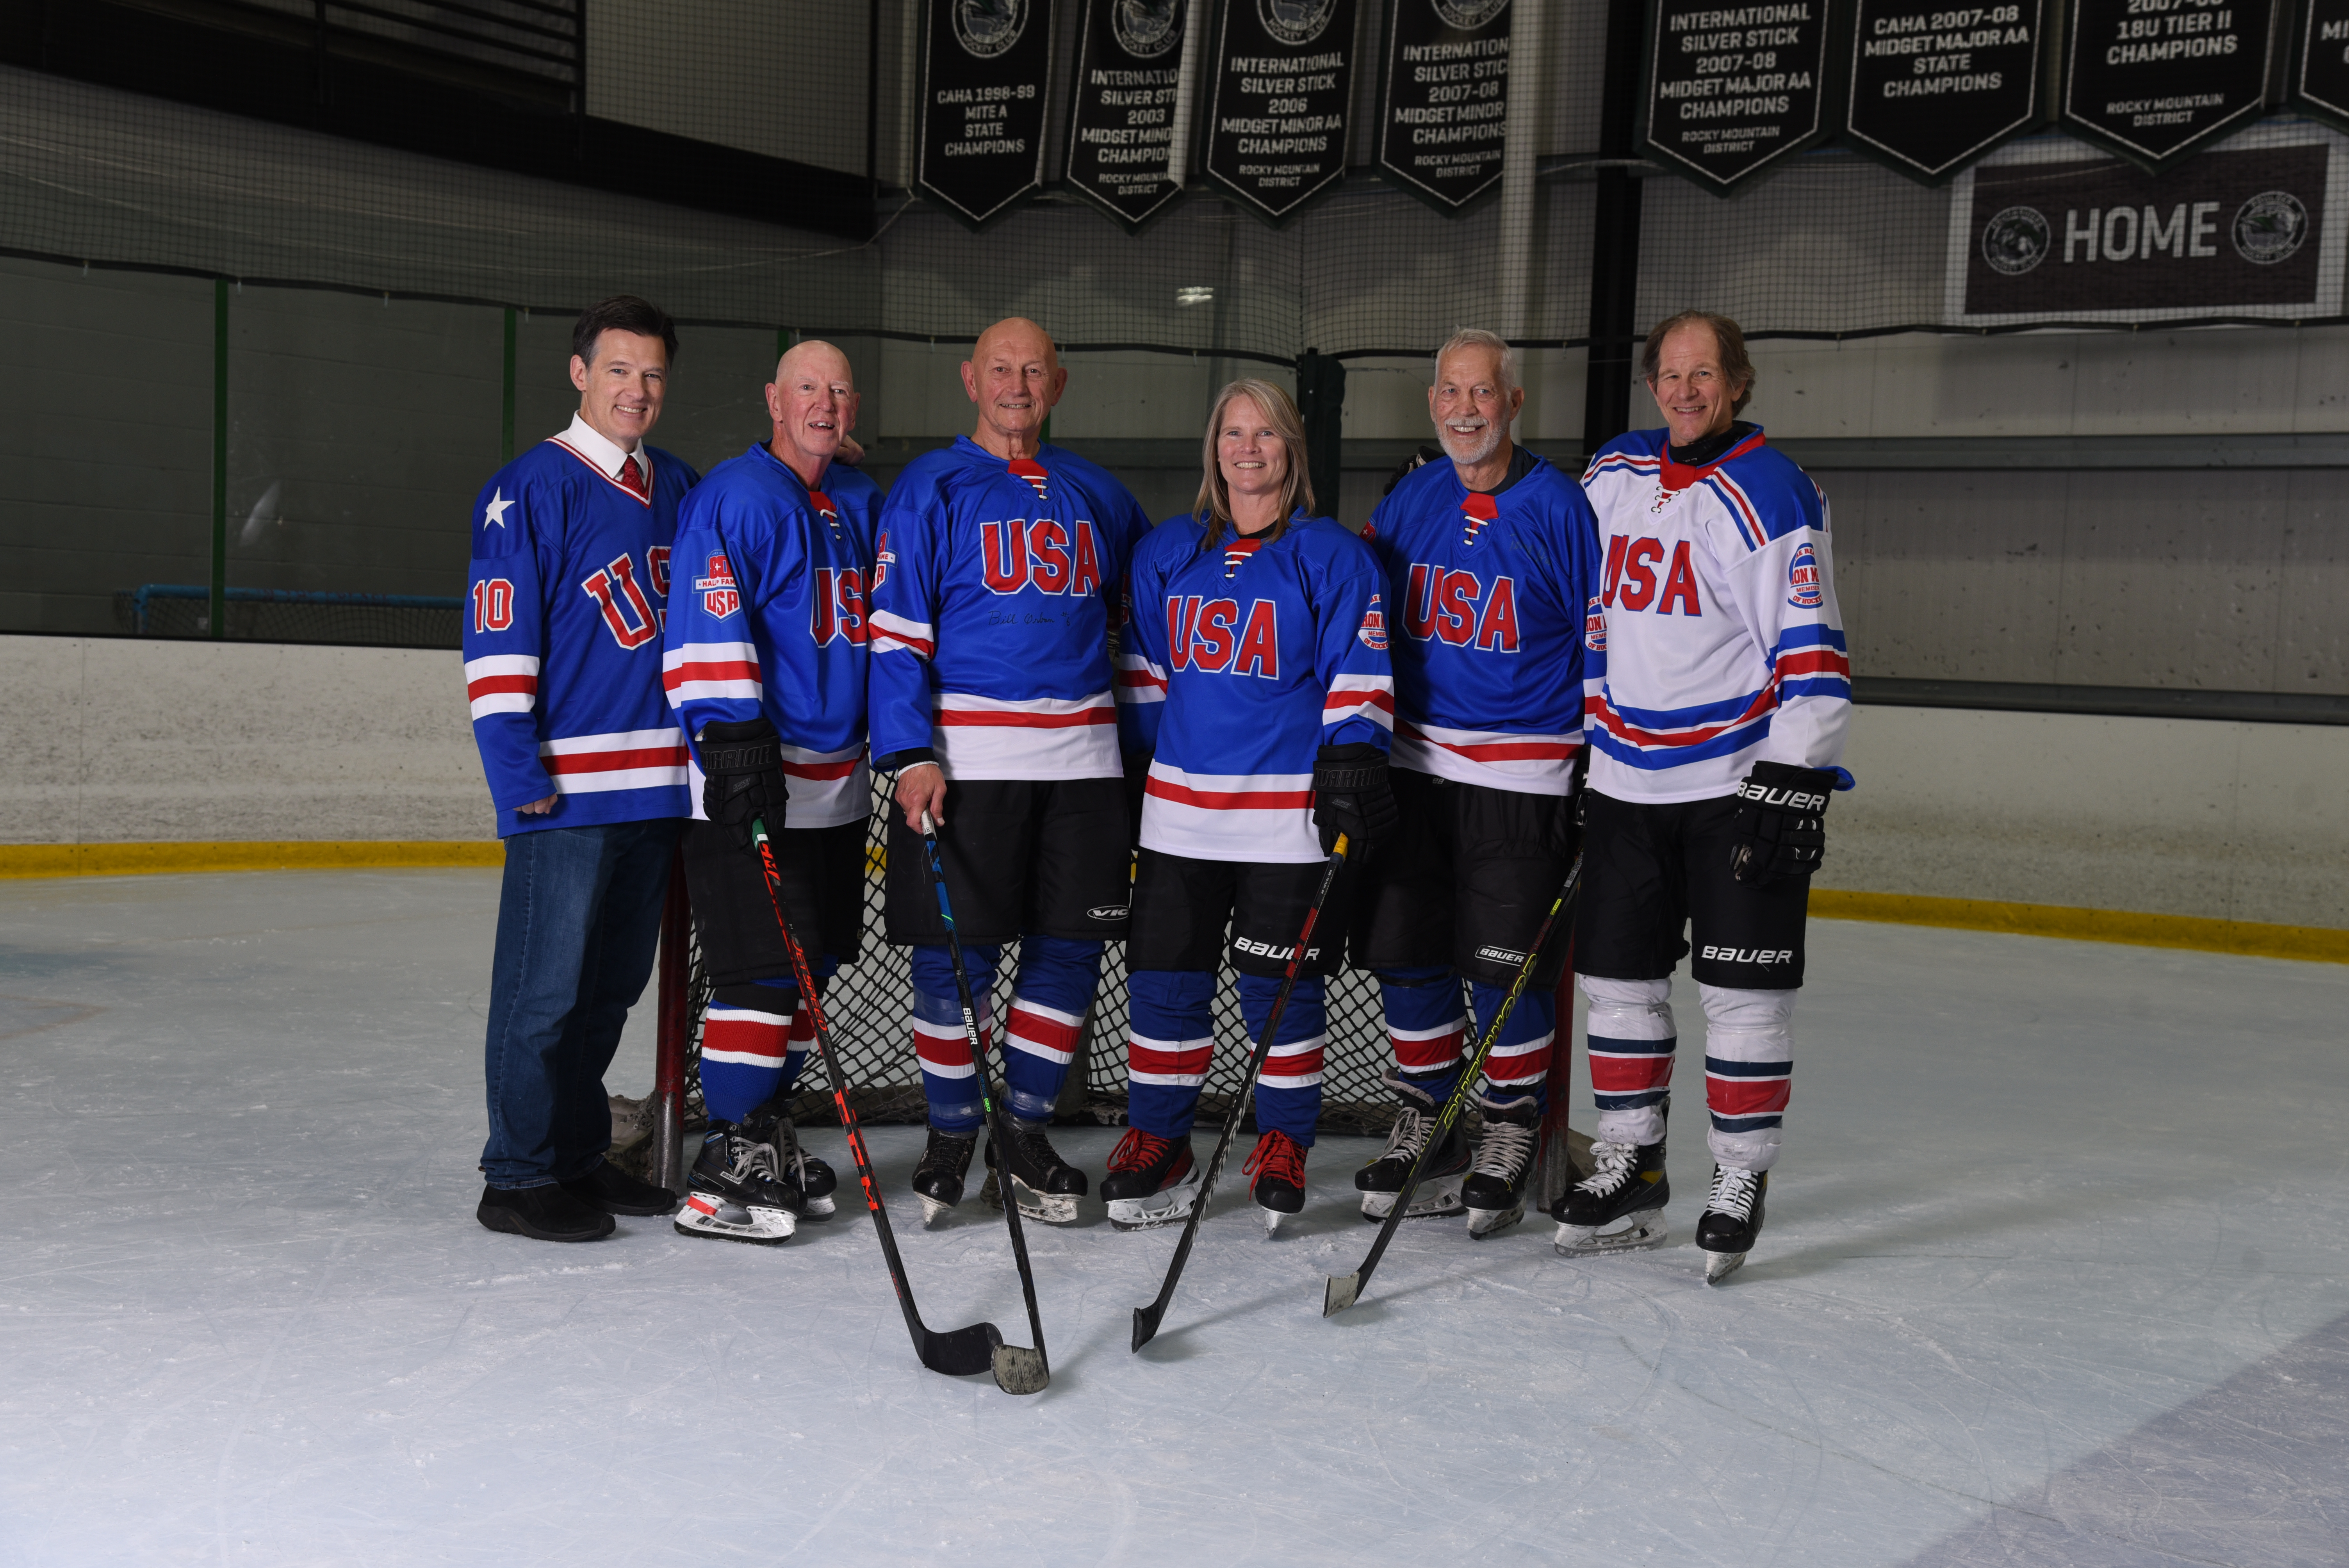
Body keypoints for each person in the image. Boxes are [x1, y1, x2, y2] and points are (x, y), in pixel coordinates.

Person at [1568, 310, 1852, 1283]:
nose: (1684, 391)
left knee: (1743, 996)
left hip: (1733, 784)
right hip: (1622, 783)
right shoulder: (1611, 473)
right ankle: (1629, 1163)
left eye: (1703, 375)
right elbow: (1570, 595)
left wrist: (1793, 776)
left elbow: (1812, 651)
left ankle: (1738, 1175)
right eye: (1669, 374)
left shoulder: (1771, 491)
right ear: (1651, 383)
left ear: (1736, 382)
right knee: (1617, 985)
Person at [866, 317, 1153, 1225]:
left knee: (1068, 951)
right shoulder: (929, 486)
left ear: (1057, 385)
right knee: (957, 959)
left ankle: (1023, 1129)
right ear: (970, 380)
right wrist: (910, 752)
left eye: (1033, 371)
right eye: (1001, 369)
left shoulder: (1101, 494)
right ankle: (953, 1131)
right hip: (967, 764)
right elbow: (895, 633)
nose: (1017, 386)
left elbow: (1147, 618)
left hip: (1085, 767)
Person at [1104, 379, 1396, 1235]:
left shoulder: (1330, 555)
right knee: (1164, 987)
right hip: (1179, 816)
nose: (1247, 448)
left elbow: (1358, 672)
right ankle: (1161, 1139)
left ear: (1290, 448)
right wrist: (1138, 771)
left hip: (1284, 822)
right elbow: (1146, 675)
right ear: (1214, 448)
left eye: (1264, 433)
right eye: (1233, 433)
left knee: (1281, 995)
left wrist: (1351, 761)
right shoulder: (1167, 552)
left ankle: (1282, 1142)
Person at [1350, 329, 1603, 1237]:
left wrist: (1598, 762)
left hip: (1521, 774)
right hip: (1412, 767)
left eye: (1482, 392)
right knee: (1406, 951)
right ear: (1432, 404)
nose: (1465, 409)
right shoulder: (1410, 498)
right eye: (1451, 392)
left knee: (1506, 966)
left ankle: (1507, 1125)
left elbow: (1601, 637)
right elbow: (1361, 616)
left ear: (1512, 402)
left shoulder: (1560, 507)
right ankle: (1427, 1117)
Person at [465, 295, 697, 1242]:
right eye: (617, 370)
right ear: (579, 374)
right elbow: (496, 647)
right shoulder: (527, 489)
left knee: (607, 994)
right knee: (544, 995)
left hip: (657, 790)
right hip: (564, 794)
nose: (635, 390)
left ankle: (572, 1154)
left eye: (651, 374)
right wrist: (516, 774)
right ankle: (517, 1174)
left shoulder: (680, 485)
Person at [659, 340, 879, 1244]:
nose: (824, 403)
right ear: (773, 401)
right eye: (806, 389)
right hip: (755, 774)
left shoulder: (857, 498)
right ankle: (725, 1163)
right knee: (756, 970)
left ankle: (765, 1133)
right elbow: (703, 618)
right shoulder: (735, 497)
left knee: (808, 969)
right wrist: (731, 736)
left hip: (837, 784)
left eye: (839, 391)